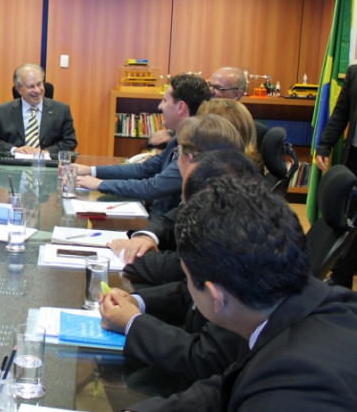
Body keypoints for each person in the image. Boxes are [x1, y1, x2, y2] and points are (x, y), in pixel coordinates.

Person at [125, 175, 357, 411]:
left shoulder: (291, 392)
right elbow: (229, 385)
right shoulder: (317, 305)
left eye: (188, 278)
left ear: (216, 297)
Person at [100, 151, 260, 384]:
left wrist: (133, 322)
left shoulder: (240, 275)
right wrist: (137, 302)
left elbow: (205, 359)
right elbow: (189, 295)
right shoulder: (241, 237)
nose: (182, 212)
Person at [110, 115, 245, 267]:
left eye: (177, 154)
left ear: (191, 159)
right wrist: (147, 237)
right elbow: (171, 218)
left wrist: (126, 253)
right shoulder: (215, 190)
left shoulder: (219, 208)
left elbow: (184, 268)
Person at [75, 73, 210, 217]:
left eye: (165, 100)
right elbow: (144, 169)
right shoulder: (178, 136)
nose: (160, 106)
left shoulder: (195, 146)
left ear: (181, 107)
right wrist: (91, 170)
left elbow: (152, 187)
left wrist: (99, 184)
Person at [315, 63, 357, 288]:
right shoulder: (354, 73)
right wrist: (325, 145)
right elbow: (341, 112)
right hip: (355, 157)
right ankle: (341, 277)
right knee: (348, 221)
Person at [0, 63, 77, 155]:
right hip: (15, 164)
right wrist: (14, 150)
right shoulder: (3, 110)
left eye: (39, 84)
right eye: (31, 86)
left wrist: (45, 152)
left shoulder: (62, 110)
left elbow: (70, 142)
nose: (37, 90)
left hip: (47, 165)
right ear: (19, 89)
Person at [148, 66, 247, 146]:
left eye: (218, 87)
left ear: (236, 95)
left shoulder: (240, 126)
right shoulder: (201, 112)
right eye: (209, 85)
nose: (210, 91)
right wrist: (169, 133)